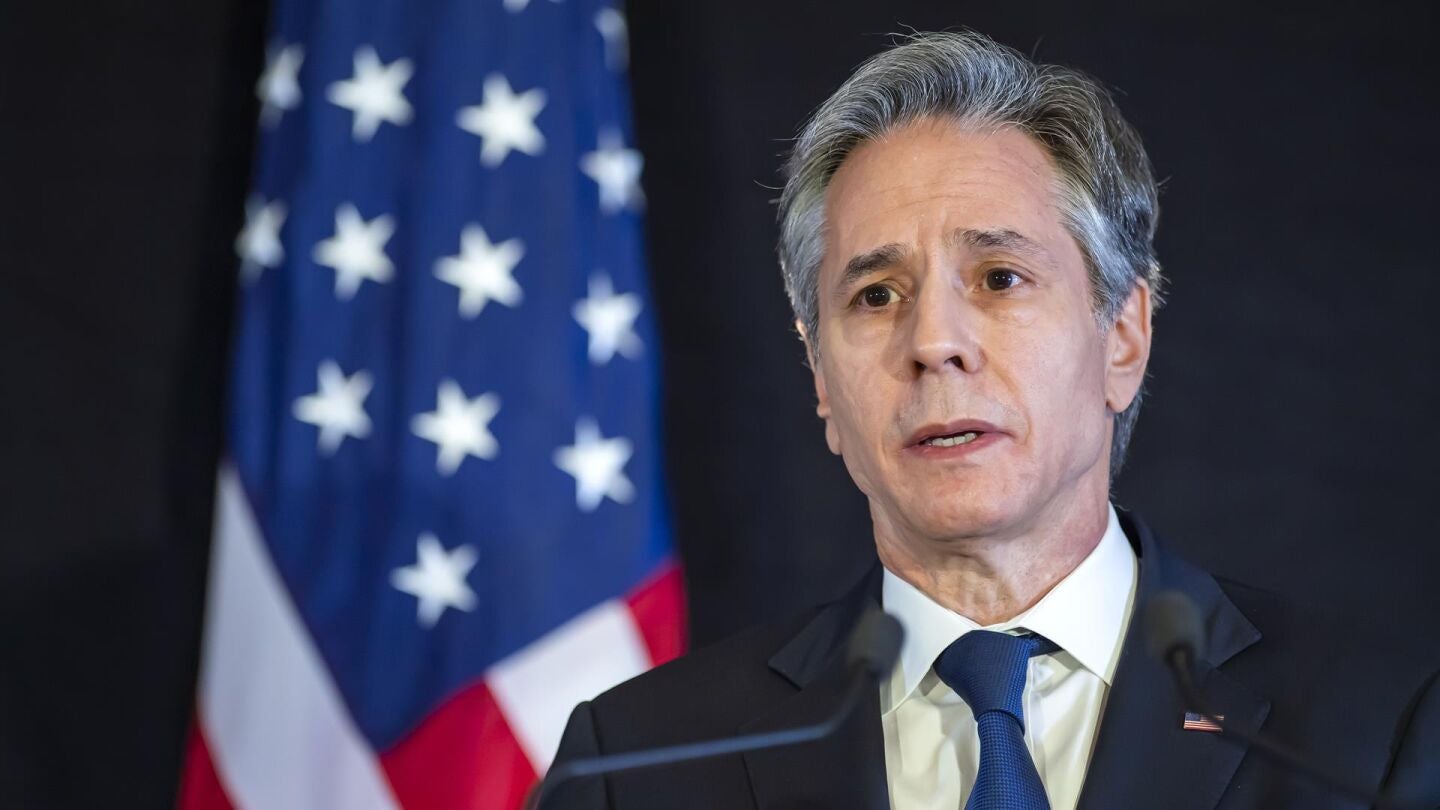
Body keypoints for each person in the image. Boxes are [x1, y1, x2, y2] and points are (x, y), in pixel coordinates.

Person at [546, 30, 1440, 810]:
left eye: (1000, 279)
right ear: (820, 377)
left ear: (1123, 335)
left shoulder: (1374, 734)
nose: (934, 342)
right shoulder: (638, 765)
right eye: (876, 294)